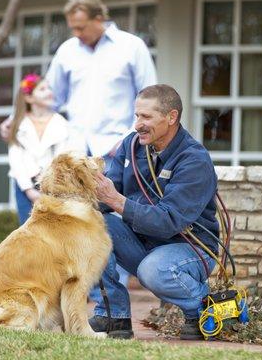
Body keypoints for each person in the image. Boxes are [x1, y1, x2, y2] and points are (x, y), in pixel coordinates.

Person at [1, 0, 156, 291]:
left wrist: (130, 139)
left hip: (117, 151)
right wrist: (16, 120)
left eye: (81, 27)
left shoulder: (131, 47)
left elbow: (149, 97)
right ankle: (79, 289)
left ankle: (111, 301)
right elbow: (48, 97)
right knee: (75, 223)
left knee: (109, 222)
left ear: (100, 18)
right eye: (72, 27)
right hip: (74, 154)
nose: (76, 34)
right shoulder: (68, 51)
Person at [90, 84, 219, 340]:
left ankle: (203, 310)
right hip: (144, 242)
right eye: (137, 115)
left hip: (189, 248)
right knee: (91, 227)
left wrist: (116, 200)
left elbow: (168, 221)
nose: (138, 124)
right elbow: (108, 196)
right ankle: (116, 315)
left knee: (153, 270)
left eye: (146, 117)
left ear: (171, 117)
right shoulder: (132, 145)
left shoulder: (194, 159)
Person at [7, 74, 79, 225]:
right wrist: (29, 190)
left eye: (49, 88)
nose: (49, 92)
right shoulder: (18, 125)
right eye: (42, 89)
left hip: (56, 188)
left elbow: (66, 158)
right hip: (25, 188)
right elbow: (16, 161)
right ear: (29, 98)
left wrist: (53, 187)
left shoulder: (63, 125)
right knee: (30, 232)